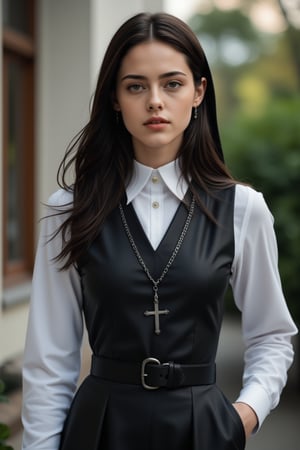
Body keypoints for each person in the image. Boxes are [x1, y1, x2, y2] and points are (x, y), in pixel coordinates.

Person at [21, 12, 297, 450]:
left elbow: (272, 335)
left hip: (203, 431)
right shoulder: (68, 211)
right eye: (135, 86)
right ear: (115, 98)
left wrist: (245, 415)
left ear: (198, 92)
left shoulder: (243, 209)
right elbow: (49, 360)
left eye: (172, 83)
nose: (154, 101)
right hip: (99, 430)